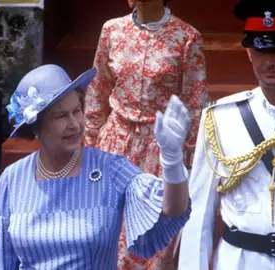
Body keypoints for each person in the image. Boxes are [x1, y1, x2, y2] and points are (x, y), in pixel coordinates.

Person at [0, 64, 191, 269]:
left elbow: (172, 208)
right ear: (36, 126)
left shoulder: (111, 169)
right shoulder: (13, 177)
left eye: (77, 111)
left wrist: (172, 158)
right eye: (61, 116)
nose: (75, 123)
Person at [83, 0, 208, 268]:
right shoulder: (111, 30)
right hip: (112, 147)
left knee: (152, 246)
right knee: (104, 234)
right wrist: (90, 145)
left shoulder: (186, 36)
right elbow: (97, 89)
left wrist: (187, 162)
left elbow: (194, 105)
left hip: (160, 150)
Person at [178, 0, 275, 269]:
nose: (271, 62)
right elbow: (200, 212)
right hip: (241, 261)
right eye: (261, 50)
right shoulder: (221, 118)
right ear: (249, 53)